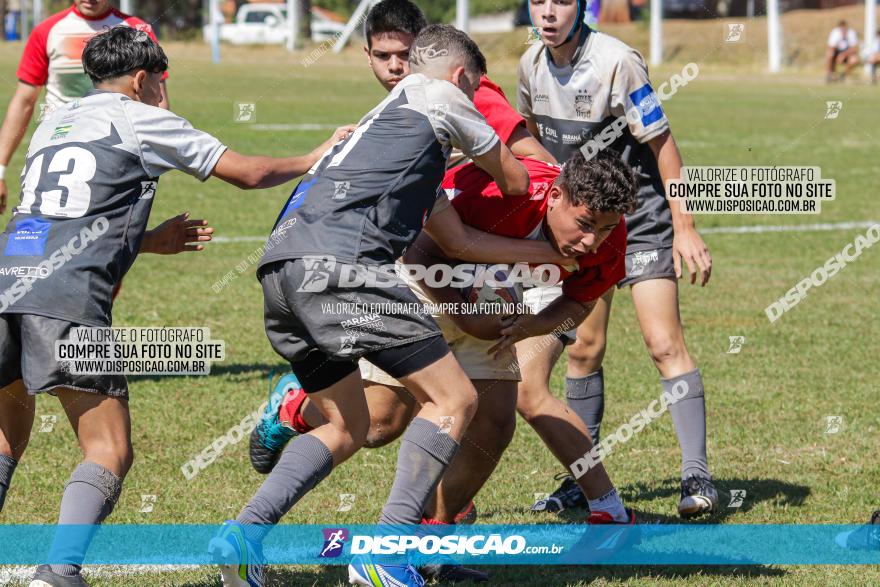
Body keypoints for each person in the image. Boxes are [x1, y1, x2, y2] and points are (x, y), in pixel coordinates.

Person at [207, 25, 565, 587]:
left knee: (347, 424)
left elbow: (459, 244)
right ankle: (387, 549)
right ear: (463, 77)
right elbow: (518, 179)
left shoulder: (380, 136)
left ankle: (245, 532)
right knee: (453, 398)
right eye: (475, 90)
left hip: (280, 273)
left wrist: (548, 253)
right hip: (344, 269)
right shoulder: (442, 96)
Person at [0, 25, 350, 587]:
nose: (165, 92)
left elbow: (61, 219)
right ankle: (57, 573)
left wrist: (147, 239)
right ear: (142, 80)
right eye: (161, 81)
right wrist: (315, 156)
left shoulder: (54, 124)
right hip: (65, 300)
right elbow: (248, 173)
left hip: (7, 282)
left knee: (4, 436)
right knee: (108, 449)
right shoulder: (141, 116)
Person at [518, 0, 717, 518]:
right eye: (539, 0)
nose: (547, 11)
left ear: (582, 6)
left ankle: (697, 477)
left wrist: (684, 226)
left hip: (640, 219)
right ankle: (580, 478)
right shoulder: (530, 65)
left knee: (662, 342)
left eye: (560, 1)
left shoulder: (616, 60)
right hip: (585, 227)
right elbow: (529, 141)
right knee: (584, 349)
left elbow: (663, 145)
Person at [0, 0, 196, 256]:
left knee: (107, 252)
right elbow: (25, 101)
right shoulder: (48, 30)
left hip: (113, 159)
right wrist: (0, 170)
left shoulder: (136, 29)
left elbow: (158, 102)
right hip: (57, 157)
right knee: (36, 249)